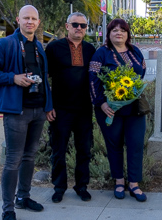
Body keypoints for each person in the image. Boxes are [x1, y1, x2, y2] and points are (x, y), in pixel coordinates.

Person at [0, 5, 53, 220]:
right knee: (14, 159)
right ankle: (8, 208)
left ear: (38, 22)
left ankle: (23, 197)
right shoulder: (6, 43)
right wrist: (14, 78)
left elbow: (44, 78)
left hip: (38, 110)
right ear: (18, 20)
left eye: (34, 18)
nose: (30, 21)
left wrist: (48, 106)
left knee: (30, 157)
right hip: (17, 111)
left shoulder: (39, 46)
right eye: (26, 18)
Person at [89, 18, 147, 202]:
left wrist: (133, 90)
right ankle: (119, 182)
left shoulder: (135, 51)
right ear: (109, 34)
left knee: (136, 144)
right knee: (114, 145)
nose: (119, 33)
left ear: (128, 34)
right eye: (114, 30)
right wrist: (102, 103)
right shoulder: (101, 54)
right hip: (110, 110)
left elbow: (142, 71)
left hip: (134, 109)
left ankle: (134, 184)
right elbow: (93, 79)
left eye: (122, 30)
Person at [45, 12, 96, 203]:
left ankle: (81, 186)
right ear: (67, 26)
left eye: (83, 26)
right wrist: (48, 106)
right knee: (59, 150)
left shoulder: (91, 49)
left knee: (84, 150)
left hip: (84, 110)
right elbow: (44, 79)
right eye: (75, 24)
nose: (79, 28)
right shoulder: (54, 48)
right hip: (60, 110)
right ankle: (59, 187)